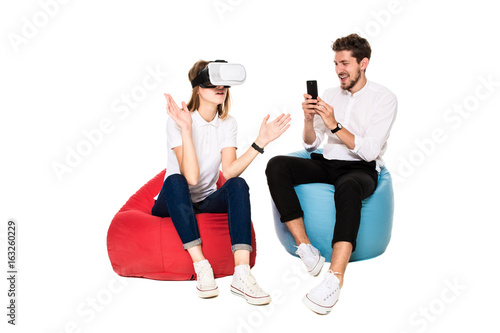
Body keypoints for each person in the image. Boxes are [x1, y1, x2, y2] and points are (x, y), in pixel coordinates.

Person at [265, 34, 397, 315]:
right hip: (328, 162)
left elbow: (370, 151)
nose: (339, 70)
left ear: (364, 63)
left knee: (348, 187)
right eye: (336, 63)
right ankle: (305, 248)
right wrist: (309, 118)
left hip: (360, 168)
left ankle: (334, 279)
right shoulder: (331, 92)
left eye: (345, 63)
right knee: (277, 164)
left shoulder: (384, 98)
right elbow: (311, 144)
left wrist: (335, 125)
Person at [152, 59, 291, 305]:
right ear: (197, 87)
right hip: (172, 200)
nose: (221, 88)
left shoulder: (228, 123)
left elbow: (229, 171)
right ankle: (201, 265)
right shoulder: (179, 121)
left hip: (204, 200)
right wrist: (186, 129)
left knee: (238, 185)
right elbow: (191, 177)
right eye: (213, 83)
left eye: (224, 84)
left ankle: (242, 273)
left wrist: (261, 141)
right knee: (175, 180)